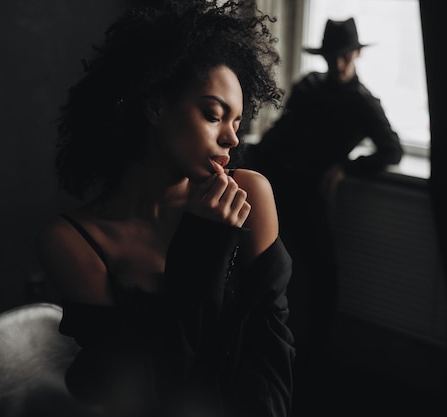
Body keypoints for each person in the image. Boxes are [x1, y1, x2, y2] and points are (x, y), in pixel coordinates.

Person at [35, 2, 294, 416]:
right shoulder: (73, 241)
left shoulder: (250, 197)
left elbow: (272, 365)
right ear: (155, 107)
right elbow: (149, 391)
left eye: (237, 122)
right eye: (214, 114)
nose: (232, 138)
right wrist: (204, 245)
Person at [244, 16, 403, 413]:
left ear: (356, 55)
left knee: (322, 275)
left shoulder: (363, 101)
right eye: (332, 56)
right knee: (265, 266)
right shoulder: (309, 86)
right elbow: (281, 131)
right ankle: (254, 342)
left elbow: (391, 149)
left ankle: (313, 362)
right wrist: (253, 162)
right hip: (276, 182)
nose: (338, 63)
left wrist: (344, 169)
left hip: (311, 195)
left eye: (344, 55)